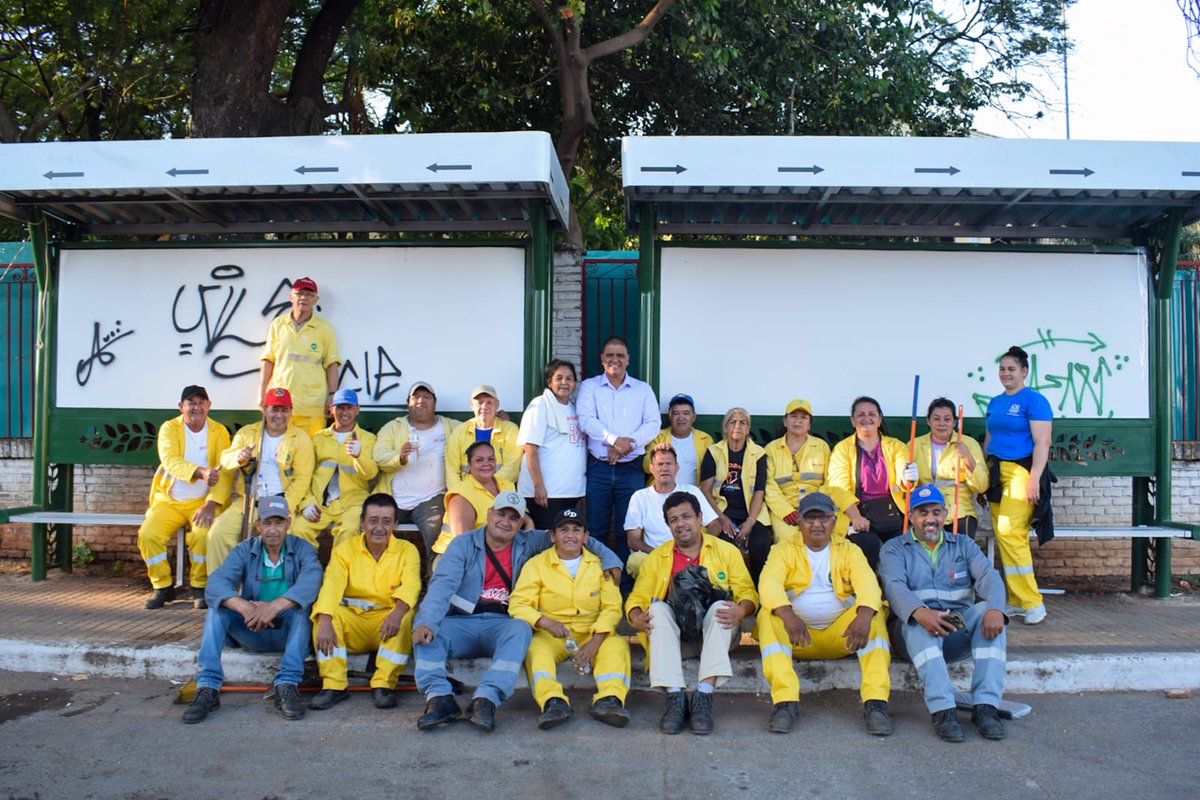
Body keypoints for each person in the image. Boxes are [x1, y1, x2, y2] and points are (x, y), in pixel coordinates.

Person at [411, 492, 622, 733]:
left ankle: (486, 700)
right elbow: (442, 585)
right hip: (462, 621)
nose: (506, 522)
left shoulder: (529, 540)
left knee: (521, 628)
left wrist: (609, 558)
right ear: (489, 514)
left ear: (521, 523)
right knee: (427, 629)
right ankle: (439, 699)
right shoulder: (463, 544)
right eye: (501, 514)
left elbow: (573, 537)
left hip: (502, 623)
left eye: (514, 518)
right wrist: (425, 621)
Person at [879, 485, 1010, 742]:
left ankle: (985, 707)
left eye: (936, 512)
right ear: (911, 515)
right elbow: (894, 587)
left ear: (945, 514)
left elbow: (989, 577)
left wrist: (995, 608)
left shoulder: (964, 544)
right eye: (923, 512)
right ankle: (943, 711)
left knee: (988, 614)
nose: (930, 519)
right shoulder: (894, 549)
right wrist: (919, 611)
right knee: (919, 626)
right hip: (911, 633)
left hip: (955, 632)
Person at [756, 492, 892, 736]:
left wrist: (863, 616)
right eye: (810, 518)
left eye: (824, 518)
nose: (817, 524)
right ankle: (785, 702)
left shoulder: (848, 549)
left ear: (834, 520)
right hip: (795, 635)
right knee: (768, 616)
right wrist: (787, 615)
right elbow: (768, 584)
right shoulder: (783, 549)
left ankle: (876, 703)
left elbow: (868, 584)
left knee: (875, 615)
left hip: (844, 636)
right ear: (799, 521)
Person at [626, 492, 758, 736]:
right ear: (668, 525)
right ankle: (675, 698)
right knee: (656, 609)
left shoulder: (725, 552)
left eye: (686, 516)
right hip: (677, 639)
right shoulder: (658, 556)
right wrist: (635, 615)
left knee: (722, 607)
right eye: (674, 519)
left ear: (700, 518)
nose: (680, 523)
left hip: (715, 634)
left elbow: (747, 592)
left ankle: (703, 699)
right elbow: (637, 597)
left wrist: (741, 610)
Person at [182, 495, 323, 724]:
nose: (272, 530)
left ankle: (286, 684)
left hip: (287, 632)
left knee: (300, 610)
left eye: (278, 523)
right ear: (258, 526)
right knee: (217, 611)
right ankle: (207, 687)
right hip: (252, 629)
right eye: (267, 523)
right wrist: (245, 607)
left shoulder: (303, 549)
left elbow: (313, 580)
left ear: (288, 523)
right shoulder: (243, 550)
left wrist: (275, 606)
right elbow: (216, 583)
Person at [509, 508, 632, 729]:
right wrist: (544, 622)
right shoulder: (536, 564)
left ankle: (610, 700)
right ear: (552, 536)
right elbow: (518, 604)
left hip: (592, 630)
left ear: (586, 537)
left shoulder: (599, 566)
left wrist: (595, 641)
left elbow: (613, 607)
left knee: (616, 646)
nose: (570, 535)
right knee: (535, 650)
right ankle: (552, 702)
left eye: (577, 530)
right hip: (552, 632)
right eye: (563, 530)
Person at [309, 494, 421, 711]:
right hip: (354, 623)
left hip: (388, 623)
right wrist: (324, 620)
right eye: (373, 520)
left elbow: (411, 585)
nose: (379, 528)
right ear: (361, 523)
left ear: (395, 524)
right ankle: (334, 685)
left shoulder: (407, 550)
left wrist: (397, 613)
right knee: (323, 618)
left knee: (407, 615)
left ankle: (384, 685)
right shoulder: (344, 551)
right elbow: (331, 586)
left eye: (386, 521)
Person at [138, 385, 233, 610]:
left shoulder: (219, 432)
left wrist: (211, 504)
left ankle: (199, 587)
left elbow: (226, 471)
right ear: (182, 407)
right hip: (169, 498)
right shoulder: (169, 428)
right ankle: (162, 586)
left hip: (203, 501)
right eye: (191, 403)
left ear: (209, 405)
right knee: (148, 534)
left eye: (201, 402)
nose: (196, 407)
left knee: (202, 535)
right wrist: (201, 472)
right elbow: (170, 461)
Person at [576, 335, 661, 585]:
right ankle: (599, 582)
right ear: (602, 359)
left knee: (629, 531)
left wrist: (627, 445)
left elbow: (653, 423)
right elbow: (586, 420)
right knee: (598, 528)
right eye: (610, 355)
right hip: (598, 468)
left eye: (620, 355)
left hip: (631, 470)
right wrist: (615, 441)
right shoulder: (590, 387)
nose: (615, 359)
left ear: (628, 360)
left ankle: (624, 584)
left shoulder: (643, 389)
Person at [205, 388, 315, 574]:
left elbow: (302, 478)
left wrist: (286, 506)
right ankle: (222, 590)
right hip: (248, 502)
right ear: (264, 409)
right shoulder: (248, 433)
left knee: (289, 539)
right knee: (218, 533)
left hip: (281, 502)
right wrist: (239, 457)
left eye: (284, 410)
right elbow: (225, 458)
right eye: (274, 409)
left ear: (290, 411)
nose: (279, 415)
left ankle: (282, 593)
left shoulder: (300, 438)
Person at [985, 345, 1053, 625]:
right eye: (1002, 369)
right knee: (1005, 537)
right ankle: (1015, 599)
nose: (1006, 373)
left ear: (1024, 371)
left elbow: (1043, 442)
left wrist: (1034, 477)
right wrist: (984, 477)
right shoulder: (995, 402)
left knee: (1011, 532)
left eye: (1011, 369)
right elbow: (989, 440)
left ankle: (1033, 602)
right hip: (997, 472)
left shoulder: (1034, 401)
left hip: (1022, 472)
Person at [826, 396, 918, 570]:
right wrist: (855, 517)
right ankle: (870, 590)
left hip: (894, 514)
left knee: (903, 549)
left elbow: (904, 480)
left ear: (879, 419)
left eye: (871, 414)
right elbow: (839, 489)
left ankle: (896, 591)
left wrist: (909, 478)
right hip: (858, 514)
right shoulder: (842, 449)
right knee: (866, 545)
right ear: (853, 421)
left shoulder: (896, 446)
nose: (866, 418)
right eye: (860, 414)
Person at [373, 381, 457, 560]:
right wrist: (399, 458)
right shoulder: (393, 427)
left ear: (435, 403)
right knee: (375, 531)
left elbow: (476, 429)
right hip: (393, 498)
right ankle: (378, 582)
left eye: (427, 397)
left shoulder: (450, 427)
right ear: (408, 403)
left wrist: (498, 418)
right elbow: (379, 457)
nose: (421, 401)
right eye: (416, 397)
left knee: (437, 538)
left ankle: (436, 583)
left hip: (431, 499)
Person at [290, 388, 378, 549]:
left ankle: (338, 574)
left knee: (350, 530)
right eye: (340, 407)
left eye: (349, 407)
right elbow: (304, 475)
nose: (345, 412)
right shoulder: (318, 438)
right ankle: (308, 573)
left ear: (357, 409)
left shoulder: (368, 439)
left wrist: (359, 456)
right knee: (298, 529)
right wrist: (306, 503)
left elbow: (370, 474)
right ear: (331, 409)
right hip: (319, 504)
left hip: (353, 504)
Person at [259, 276, 340, 436]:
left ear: (316, 299)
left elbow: (332, 364)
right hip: (280, 404)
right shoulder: (278, 324)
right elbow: (268, 359)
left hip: (312, 406)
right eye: (299, 293)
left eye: (309, 294)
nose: (304, 298)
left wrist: (332, 395)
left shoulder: (324, 328)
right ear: (291, 296)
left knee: (309, 452)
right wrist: (261, 393)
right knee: (279, 452)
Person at [699, 407, 772, 584]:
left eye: (743, 423)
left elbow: (759, 491)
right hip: (723, 512)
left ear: (748, 429)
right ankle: (730, 589)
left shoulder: (759, 453)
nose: (737, 426)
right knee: (724, 545)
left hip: (752, 514)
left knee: (760, 543)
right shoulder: (714, 451)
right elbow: (705, 490)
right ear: (725, 427)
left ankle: (756, 588)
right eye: (733, 422)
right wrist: (722, 518)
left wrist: (750, 522)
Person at [625, 444, 716, 577]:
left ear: (677, 468)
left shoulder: (691, 491)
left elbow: (715, 524)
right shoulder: (639, 497)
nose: (665, 468)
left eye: (669, 464)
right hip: (657, 557)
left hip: (692, 556)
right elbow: (633, 540)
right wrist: (662, 554)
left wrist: (700, 548)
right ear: (651, 468)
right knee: (635, 561)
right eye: (660, 464)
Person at [517, 359, 587, 529]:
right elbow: (530, 448)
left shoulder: (574, 407)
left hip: (570, 492)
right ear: (549, 381)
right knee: (545, 541)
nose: (565, 382)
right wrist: (538, 486)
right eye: (559, 378)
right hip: (546, 493)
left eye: (569, 378)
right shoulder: (540, 404)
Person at [431, 440, 527, 557]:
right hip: (456, 558)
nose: (486, 464)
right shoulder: (461, 495)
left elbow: (522, 517)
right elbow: (463, 543)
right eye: (479, 460)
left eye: (491, 459)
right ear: (469, 464)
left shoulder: (507, 485)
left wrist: (528, 532)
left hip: (495, 552)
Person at [763, 398, 838, 546]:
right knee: (786, 540)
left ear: (809, 424)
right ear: (785, 421)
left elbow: (831, 480)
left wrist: (816, 505)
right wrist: (786, 511)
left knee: (825, 537)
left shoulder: (821, 446)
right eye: (793, 416)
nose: (798, 421)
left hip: (817, 507)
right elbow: (767, 484)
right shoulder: (771, 449)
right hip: (785, 509)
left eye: (803, 417)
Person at [914, 398, 988, 538]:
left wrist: (967, 458)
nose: (942, 423)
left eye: (947, 419)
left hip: (959, 510)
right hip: (925, 508)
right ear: (928, 421)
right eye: (936, 419)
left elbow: (982, 486)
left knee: (960, 552)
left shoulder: (968, 443)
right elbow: (904, 486)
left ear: (954, 422)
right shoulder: (914, 445)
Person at [444, 384, 521, 494]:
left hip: (500, 493)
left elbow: (512, 469)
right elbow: (451, 471)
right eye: (479, 402)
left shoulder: (510, 430)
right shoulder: (459, 431)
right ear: (471, 405)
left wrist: (486, 490)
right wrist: (461, 495)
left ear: (497, 404)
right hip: (467, 494)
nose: (484, 407)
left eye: (489, 402)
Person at [642, 393, 713, 487]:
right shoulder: (658, 437)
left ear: (694, 417)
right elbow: (646, 467)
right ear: (669, 416)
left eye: (686, 413)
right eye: (676, 413)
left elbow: (713, 474)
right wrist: (657, 452)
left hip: (693, 497)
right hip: (662, 495)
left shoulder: (705, 439)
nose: (681, 417)